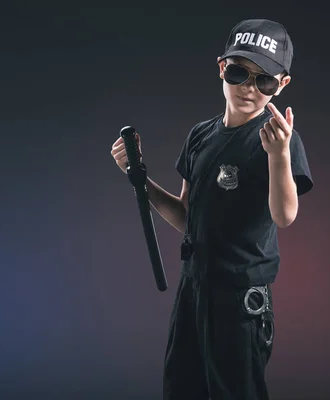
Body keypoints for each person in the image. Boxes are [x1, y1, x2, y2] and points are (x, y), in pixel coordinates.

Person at [110, 19, 313, 400]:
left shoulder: (277, 141)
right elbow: (187, 217)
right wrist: (138, 178)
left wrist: (279, 156)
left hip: (239, 299)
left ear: (282, 84)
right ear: (222, 68)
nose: (249, 89)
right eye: (240, 73)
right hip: (194, 288)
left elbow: (285, 215)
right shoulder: (200, 135)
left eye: (264, 80)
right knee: (181, 387)